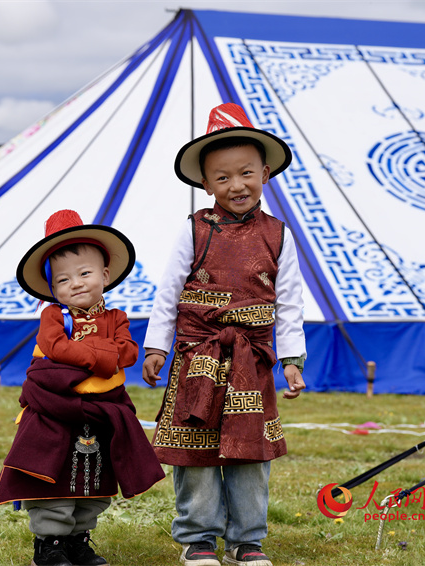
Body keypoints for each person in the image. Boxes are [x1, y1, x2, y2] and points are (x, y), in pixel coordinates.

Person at [142, 103, 307, 566]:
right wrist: (157, 346)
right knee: (196, 452)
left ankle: (248, 539)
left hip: (251, 361)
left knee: (250, 453)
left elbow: (290, 302)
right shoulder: (194, 230)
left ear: (266, 172)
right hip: (198, 356)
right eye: (222, 177)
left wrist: (291, 360)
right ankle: (198, 539)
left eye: (246, 173)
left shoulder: (279, 235)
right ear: (205, 183)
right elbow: (168, 290)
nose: (236, 185)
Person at [0, 209, 165, 566]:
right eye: (63, 279)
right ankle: (50, 543)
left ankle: (77, 539)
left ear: (104, 275)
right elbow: (56, 348)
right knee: (53, 474)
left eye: (85, 273)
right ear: (51, 288)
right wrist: (101, 357)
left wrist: (96, 355)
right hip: (55, 411)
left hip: (102, 410)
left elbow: (129, 352)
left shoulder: (116, 317)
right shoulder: (54, 317)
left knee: (93, 476)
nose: (75, 283)